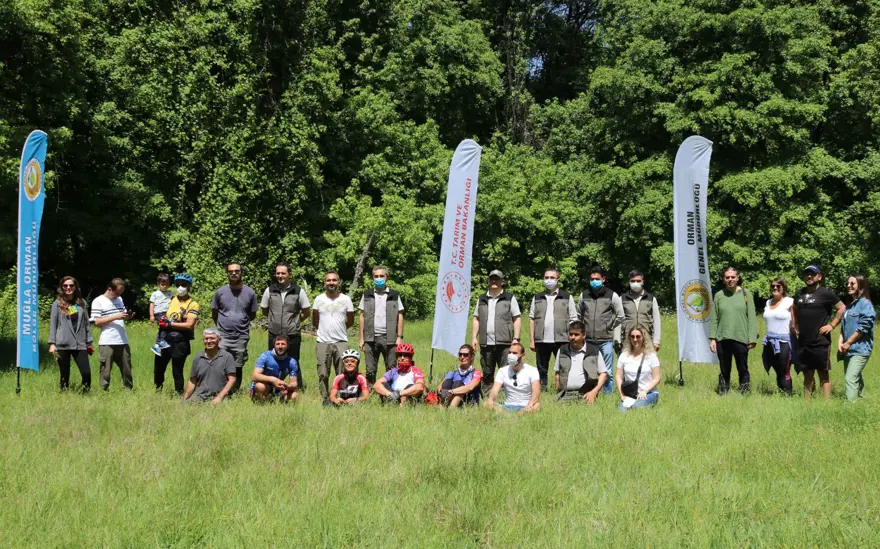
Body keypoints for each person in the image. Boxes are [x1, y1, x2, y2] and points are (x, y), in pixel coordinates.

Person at [793, 265, 845, 401]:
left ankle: (825, 404)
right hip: (803, 341)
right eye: (806, 274)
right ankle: (807, 403)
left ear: (819, 276)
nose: (809, 276)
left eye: (812, 274)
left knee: (823, 373)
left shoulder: (826, 293)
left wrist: (832, 325)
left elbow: (842, 308)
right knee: (807, 373)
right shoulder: (799, 293)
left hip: (820, 341)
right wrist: (796, 324)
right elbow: (793, 308)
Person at [261, 262, 311, 390]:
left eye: (283, 273)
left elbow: (306, 312)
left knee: (294, 361)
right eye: (278, 273)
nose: (280, 276)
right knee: (272, 361)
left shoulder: (298, 291)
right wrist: (274, 321)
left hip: (292, 334)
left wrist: (295, 321)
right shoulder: (269, 290)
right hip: (274, 334)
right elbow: (265, 310)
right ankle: (272, 388)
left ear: (289, 274)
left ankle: (297, 388)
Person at [471, 269, 521, 396]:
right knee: (487, 372)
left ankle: (506, 395)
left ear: (502, 282)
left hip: (505, 343)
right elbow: (476, 318)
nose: (494, 281)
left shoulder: (509, 298)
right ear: (488, 281)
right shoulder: (481, 298)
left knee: (506, 371)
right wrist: (474, 337)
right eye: (492, 279)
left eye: (497, 279)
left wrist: (516, 339)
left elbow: (517, 318)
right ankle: (488, 395)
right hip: (485, 342)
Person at [708, 266, 757, 394]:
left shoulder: (746, 294)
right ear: (723, 279)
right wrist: (712, 338)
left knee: (742, 368)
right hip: (722, 337)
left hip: (741, 337)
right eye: (727, 277)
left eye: (733, 277)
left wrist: (752, 338)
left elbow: (752, 317)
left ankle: (744, 391)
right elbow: (715, 318)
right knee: (724, 368)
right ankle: (723, 390)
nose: (730, 279)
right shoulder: (719, 295)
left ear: (737, 278)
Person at [212, 262, 258, 394]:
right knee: (220, 363)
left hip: (241, 336)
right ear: (227, 273)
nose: (234, 273)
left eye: (237, 271)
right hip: (223, 335)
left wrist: (240, 322)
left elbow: (252, 314)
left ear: (241, 273)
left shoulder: (250, 293)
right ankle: (219, 390)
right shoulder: (220, 292)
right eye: (231, 271)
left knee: (238, 365)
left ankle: (234, 392)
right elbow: (215, 313)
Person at [529, 267, 577, 391]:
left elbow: (573, 318)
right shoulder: (537, 297)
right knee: (541, 368)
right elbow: (532, 319)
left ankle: (564, 390)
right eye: (546, 277)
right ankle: (542, 390)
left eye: (552, 277)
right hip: (541, 340)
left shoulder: (567, 297)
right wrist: (532, 340)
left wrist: (572, 338)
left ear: (557, 279)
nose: (549, 280)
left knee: (563, 367)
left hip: (562, 339)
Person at [577, 265, 624, 393]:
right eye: (592, 279)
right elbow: (579, 315)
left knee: (608, 371)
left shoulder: (612, 295)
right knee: (588, 370)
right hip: (588, 340)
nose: (594, 281)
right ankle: (588, 393)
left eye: (597, 279)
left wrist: (611, 327)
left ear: (603, 279)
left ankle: (607, 396)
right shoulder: (584, 295)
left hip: (606, 340)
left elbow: (620, 315)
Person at [154, 273, 201, 395]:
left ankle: (179, 393)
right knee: (158, 368)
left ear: (189, 286)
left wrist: (170, 325)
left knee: (177, 370)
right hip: (164, 338)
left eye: (184, 285)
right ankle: (157, 391)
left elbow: (189, 324)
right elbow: (158, 309)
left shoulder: (193, 304)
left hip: (180, 341)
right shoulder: (171, 299)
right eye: (178, 285)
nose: (180, 287)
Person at [312, 271, 355, 404]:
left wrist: (340, 330)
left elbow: (350, 321)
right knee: (323, 372)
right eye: (328, 280)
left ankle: (342, 398)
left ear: (338, 282)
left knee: (343, 372)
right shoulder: (318, 299)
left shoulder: (346, 299)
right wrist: (324, 331)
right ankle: (325, 399)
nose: (331, 283)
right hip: (322, 342)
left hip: (341, 341)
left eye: (334, 280)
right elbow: (315, 321)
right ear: (324, 283)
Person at [358, 266, 405, 384]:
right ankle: (370, 390)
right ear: (373, 278)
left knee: (391, 368)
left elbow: (400, 315)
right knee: (370, 369)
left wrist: (399, 337)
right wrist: (361, 338)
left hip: (389, 338)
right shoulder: (367, 294)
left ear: (387, 277)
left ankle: (390, 391)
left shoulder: (394, 295)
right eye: (376, 276)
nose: (379, 278)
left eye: (381, 276)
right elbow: (362, 316)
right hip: (370, 338)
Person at [48, 276, 93, 392]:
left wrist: (89, 341)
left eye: (71, 285)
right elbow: (53, 324)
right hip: (63, 343)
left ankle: (85, 394)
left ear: (75, 287)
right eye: (65, 285)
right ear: (62, 287)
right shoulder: (57, 304)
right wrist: (52, 343)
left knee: (86, 373)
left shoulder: (81, 303)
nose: (68, 288)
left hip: (80, 343)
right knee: (64, 373)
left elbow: (86, 323)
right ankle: (64, 395)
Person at [90, 278, 134, 391]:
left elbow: (121, 316)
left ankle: (128, 390)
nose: (118, 295)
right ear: (110, 289)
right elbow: (96, 322)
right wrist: (115, 316)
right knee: (105, 369)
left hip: (122, 340)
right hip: (107, 341)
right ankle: (103, 391)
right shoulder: (98, 301)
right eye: (117, 292)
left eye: (120, 293)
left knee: (127, 368)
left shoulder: (119, 299)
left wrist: (127, 316)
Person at [839, 274, 875, 401]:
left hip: (860, 349)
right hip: (847, 349)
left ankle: (850, 406)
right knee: (856, 377)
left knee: (850, 378)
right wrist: (840, 342)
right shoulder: (850, 305)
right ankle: (861, 401)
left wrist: (848, 342)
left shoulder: (865, 304)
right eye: (848, 283)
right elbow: (843, 327)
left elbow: (863, 327)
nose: (849, 286)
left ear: (861, 285)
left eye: (852, 283)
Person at [554, 321, 608, 404]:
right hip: (565, 395)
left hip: (586, 395)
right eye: (571, 334)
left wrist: (594, 392)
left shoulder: (594, 351)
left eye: (576, 334)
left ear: (584, 335)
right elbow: (557, 375)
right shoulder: (562, 350)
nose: (573, 337)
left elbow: (603, 374)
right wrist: (558, 395)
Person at [182, 329, 236, 404]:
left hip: (220, 396)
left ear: (219, 340)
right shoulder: (198, 358)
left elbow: (232, 379)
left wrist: (219, 397)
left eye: (212, 338)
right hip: (200, 396)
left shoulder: (227, 357)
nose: (209, 341)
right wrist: (184, 400)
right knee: (186, 405)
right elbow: (192, 381)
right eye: (206, 339)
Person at [762, 277, 796, 395]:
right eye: (773, 286)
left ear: (783, 288)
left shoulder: (790, 301)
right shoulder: (768, 302)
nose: (775, 288)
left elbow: (796, 320)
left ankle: (788, 396)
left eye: (778, 286)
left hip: (784, 342)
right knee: (777, 370)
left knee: (784, 371)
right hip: (770, 342)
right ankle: (781, 394)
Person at [616, 325, 661, 411]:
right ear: (629, 338)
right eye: (632, 336)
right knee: (621, 412)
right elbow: (618, 376)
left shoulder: (651, 356)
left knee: (636, 407)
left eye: (638, 336)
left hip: (649, 393)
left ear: (643, 338)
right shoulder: (624, 356)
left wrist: (645, 391)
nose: (635, 339)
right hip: (630, 394)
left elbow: (657, 378)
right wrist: (622, 395)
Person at [485, 342, 541, 413]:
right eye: (509, 353)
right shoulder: (502, 371)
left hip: (526, 406)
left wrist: (529, 405)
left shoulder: (532, 370)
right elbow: (495, 390)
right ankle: (508, 414)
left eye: (514, 353)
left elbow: (536, 391)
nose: (511, 355)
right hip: (507, 406)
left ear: (523, 356)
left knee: (537, 405)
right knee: (486, 403)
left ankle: (520, 413)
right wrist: (491, 399)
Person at [620, 270, 661, 352]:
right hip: (627, 340)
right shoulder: (622, 299)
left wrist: (656, 341)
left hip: (647, 340)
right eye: (633, 281)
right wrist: (617, 341)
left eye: (638, 281)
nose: (635, 283)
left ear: (643, 282)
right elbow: (618, 321)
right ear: (629, 282)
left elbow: (657, 320)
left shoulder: (651, 299)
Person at [251, 335, 300, 402]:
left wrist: (287, 386)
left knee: (294, 395)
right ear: (274, 345)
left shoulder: (292, 362)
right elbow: (255, 376)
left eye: (283, 344)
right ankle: (261, 402)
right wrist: (273, 380)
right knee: (260, 386)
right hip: (264, 386)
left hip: (279, 388)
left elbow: (294, 383)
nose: (280, 347)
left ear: (288, 346)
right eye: (277, 344)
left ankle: (279, 401)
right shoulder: (265, 356)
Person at [149, 273, 173, 356]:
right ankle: (162, 341)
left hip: (167, 313)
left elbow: (174, 302)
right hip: (159, 313)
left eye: (167, 284)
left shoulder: (170, 293)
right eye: (163, 284)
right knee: (164, 325)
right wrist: (151, 315)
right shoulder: (155, 293)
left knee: (164, 328)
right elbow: (151, 305)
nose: (165, 286)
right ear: (158, 284)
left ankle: (156, 345)